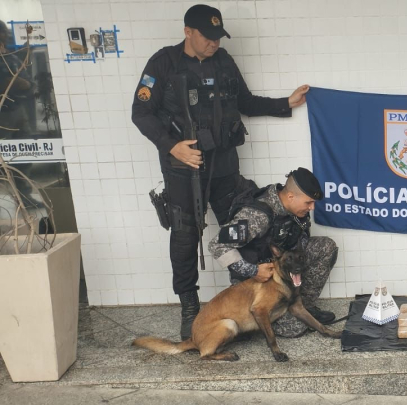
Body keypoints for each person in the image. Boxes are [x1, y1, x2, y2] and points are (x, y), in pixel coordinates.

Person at [131, 4, 312, 340]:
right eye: (207, 36)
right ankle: (189, 309)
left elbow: (245, 101)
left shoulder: (224, 60)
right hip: (184, 169)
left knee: (243, 232)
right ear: (188, 32)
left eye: (217, 37)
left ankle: (251, 305)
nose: (213, 43)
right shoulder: (163, 62)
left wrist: (284, 103)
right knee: (185, 238)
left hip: (225, 168)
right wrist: (172, 146)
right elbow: (141, 112)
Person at [208, 167, 337, 338]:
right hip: (257, 284)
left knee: (326, 247)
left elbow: (300, 242)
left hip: (281, 272)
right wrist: (253, 270)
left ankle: (303, 306)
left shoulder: (296, 211)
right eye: (308, 202)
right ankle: (259, 318)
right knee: (294, 329)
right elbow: (217, 245)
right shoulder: (257, 215)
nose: (312, 207)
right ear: (291, 196)